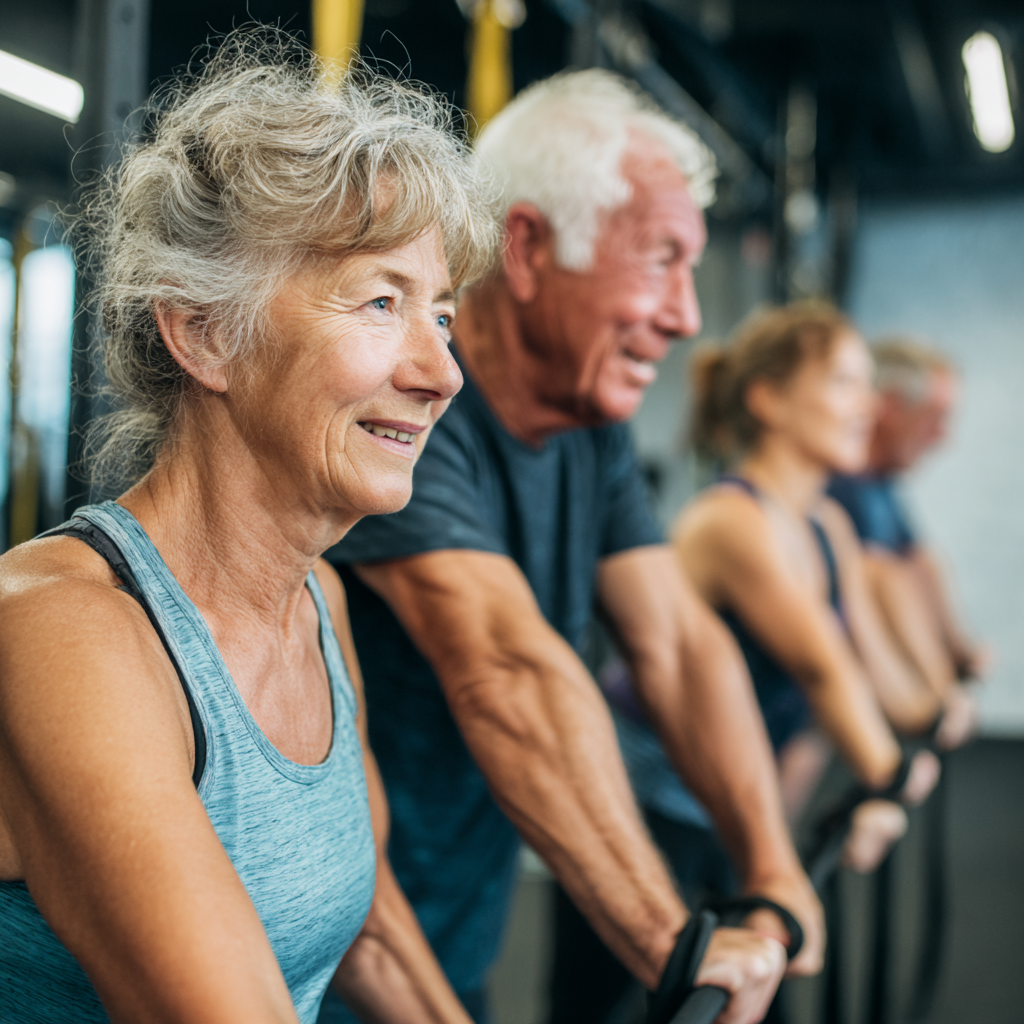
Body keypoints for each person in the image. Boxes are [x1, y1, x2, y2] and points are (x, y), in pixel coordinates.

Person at [0, 33, 501, 1024]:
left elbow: (370, 928)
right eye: (380, 301)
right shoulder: (61, 634)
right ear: (204, 332)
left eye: (439, 315)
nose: (441, 370)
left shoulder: (320, 600)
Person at [323, 71, 822, 1024]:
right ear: (526, 247)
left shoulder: (588, 422)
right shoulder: (411, 416)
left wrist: (769, 865)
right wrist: (676, 948)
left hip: (448, 936)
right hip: (320, 963)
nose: (686, 316)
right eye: (661, 261)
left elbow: (674, 642)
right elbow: (504, 669)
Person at [667, 303, 942, 852]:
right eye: (845, 383)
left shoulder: (828, 523)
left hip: (731, 800)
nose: (868, 407)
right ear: (767, 398)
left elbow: (862, 658)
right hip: (658, 805)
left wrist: (929, 716)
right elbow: (821, 670)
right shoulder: (731, 521)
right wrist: (888, 776)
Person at [827, 337, 983, 751]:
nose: (941, 437)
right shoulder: (839, 489)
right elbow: (871, 592)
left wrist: (954, 656)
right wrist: (929, 702)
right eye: (934, 417)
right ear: (891, 405)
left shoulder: (880, 490)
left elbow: (921, 567)